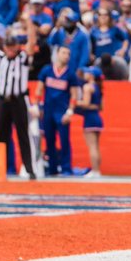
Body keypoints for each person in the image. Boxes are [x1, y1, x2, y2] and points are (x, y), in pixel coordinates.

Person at [0, 25, 37, 179]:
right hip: (2, 101)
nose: (10, 48)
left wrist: (29, 22)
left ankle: (29, 169)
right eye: (8, 46)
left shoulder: (22, 58)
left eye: (13, 45)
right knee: (1, 136)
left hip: (18, 100)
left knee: (22, 135)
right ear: (5, 47)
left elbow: (32, 42)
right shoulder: (1, 58)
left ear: (17, 46)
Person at [39, 45, 80, 176]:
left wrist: (70, 112)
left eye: (68, 54)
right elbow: (39, 90)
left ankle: (66, 168)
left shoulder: (71, 74)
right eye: (64, 53)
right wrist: (38, 107)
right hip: (48, 111)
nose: (66, 56)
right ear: (57, 54)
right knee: (49, 140)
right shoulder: (47, 71)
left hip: (62, 112)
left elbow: (74, 95)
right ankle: (52, 169)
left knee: (64, 141)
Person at [77, 66, 104, 177]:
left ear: (91, 75)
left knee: (92, 146)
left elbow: (86, 103)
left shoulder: (87, 87)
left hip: (89, 118)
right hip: (97, 117)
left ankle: (95, 170)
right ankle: (97, 170)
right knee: (96, 146)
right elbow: (101, 107)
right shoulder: (98, 87)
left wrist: (75, 102)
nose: (85, 74)